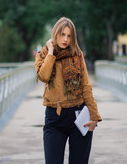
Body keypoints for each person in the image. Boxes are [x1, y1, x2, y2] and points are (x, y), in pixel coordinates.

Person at [35, 17, 102, 164]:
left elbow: (86, 86)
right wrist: (51, 53)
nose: (65, 39)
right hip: (54, 118)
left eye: (69, 36)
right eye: (62, 34)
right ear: (55, 34)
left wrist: (94, 116)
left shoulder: (77, 56)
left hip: (79, 116)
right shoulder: (43, 55)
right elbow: (44, 77)